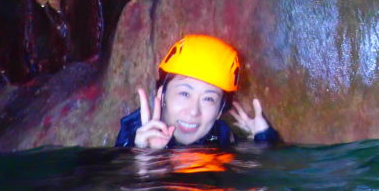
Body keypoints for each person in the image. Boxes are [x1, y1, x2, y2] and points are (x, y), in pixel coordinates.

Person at [115, 33, 280, 149]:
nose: (194, 111)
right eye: (185, 94)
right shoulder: (134, 133)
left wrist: (264, 139)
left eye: (208, 99)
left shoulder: (219, 135)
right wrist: (143, 157)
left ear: (219, 111)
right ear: (162, 94)